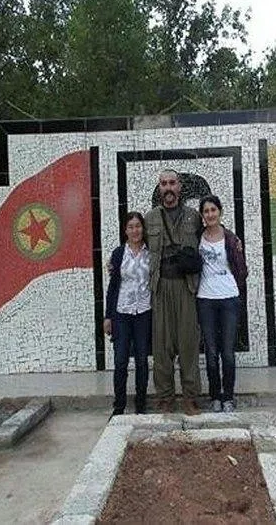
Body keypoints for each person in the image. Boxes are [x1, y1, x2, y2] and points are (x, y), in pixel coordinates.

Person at [144, 169, 202, 415]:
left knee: (188, 344)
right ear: (159, 188)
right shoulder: (150, 218)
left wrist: (233, 242)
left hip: (186, 286)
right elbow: (137, 244)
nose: (168, 187)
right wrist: (116, 261)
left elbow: (211, 234)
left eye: (172, 183)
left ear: (180, 187)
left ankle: (190, 397)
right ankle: (165, 397)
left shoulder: (194, 217)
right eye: (163, 183)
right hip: (161, 286)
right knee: (162, 346)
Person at [196, 195, 248, 413]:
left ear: (220, 212)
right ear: (202, 215)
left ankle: (228, 396)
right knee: (210, 352)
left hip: (229, 298)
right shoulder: (197, 237)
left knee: (227, 352)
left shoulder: (231, 239)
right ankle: (215, 396)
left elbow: (242, 269)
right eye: (206, 211)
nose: (210, 214)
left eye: (213, 210)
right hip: (205, 299)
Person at [104, 212, 151, 417]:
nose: (135, 230)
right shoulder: (118, 254)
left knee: (141, 360)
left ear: (143, 228)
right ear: (125, 230)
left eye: (138, 226)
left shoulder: (150, 252)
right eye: (130, 227)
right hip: (122, 312)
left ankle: (141, 405)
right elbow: (113, 286)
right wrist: (108, 316)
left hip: (144, 312)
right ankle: (119, 406)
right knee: (121, 360)